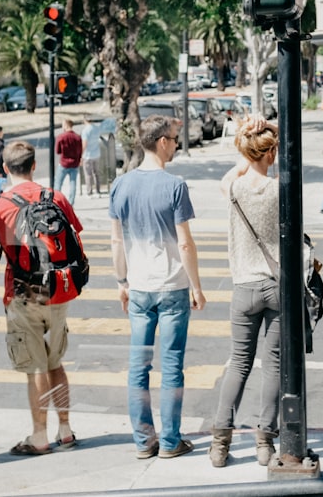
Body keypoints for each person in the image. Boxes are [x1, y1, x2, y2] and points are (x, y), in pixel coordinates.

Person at [109, 114, 206, 460]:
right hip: (172, 286)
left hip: (138, 288)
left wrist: (122, 282)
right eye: (175, 139)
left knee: (139, 366)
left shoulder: (120, 185)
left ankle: (143, 441)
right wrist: (196, 286)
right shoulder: (175, 186)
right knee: (172, 365)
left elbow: (116, 242)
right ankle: (169, 441)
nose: (177, 144)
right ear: (161, 142)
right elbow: (185, 244)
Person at [0, 140, 81, 456]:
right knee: (55, 361)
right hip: (60, 288)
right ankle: (65, 430)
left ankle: (39, 436)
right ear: (34, 165)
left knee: (35, 365)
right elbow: (74, 239)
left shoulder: (0, 206)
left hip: (24, 291)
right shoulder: (56, 197)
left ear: (5, 168)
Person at [208, 116, 281, 468]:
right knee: (273, 365)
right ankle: (264, 442)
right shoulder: (280, 190)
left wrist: (249, 149)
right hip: (276, 286)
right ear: (272, 153)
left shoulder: (234, 189)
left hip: (244, 288)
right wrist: (270, 134)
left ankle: (220, 443)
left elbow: (229, 176)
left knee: (239, 363)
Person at [54, 118, 82, 205]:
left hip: (64, 163)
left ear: (66, 125)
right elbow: (80, 151)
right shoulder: (77, 137)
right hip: (74, 163)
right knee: (73, 183)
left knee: (58, 183)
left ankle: (56, 201)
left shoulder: (61, 137)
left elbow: (57, 151)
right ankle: (71, 203)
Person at [80, 115, 102, 198]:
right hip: (96, 153)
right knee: (96, 173)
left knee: (88, 174)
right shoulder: (96, 128)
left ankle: (89, 192)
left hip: (88, 155)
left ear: (84, 120)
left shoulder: (85, 130)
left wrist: (81, 155)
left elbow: (84, 144)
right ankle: (98, 191)